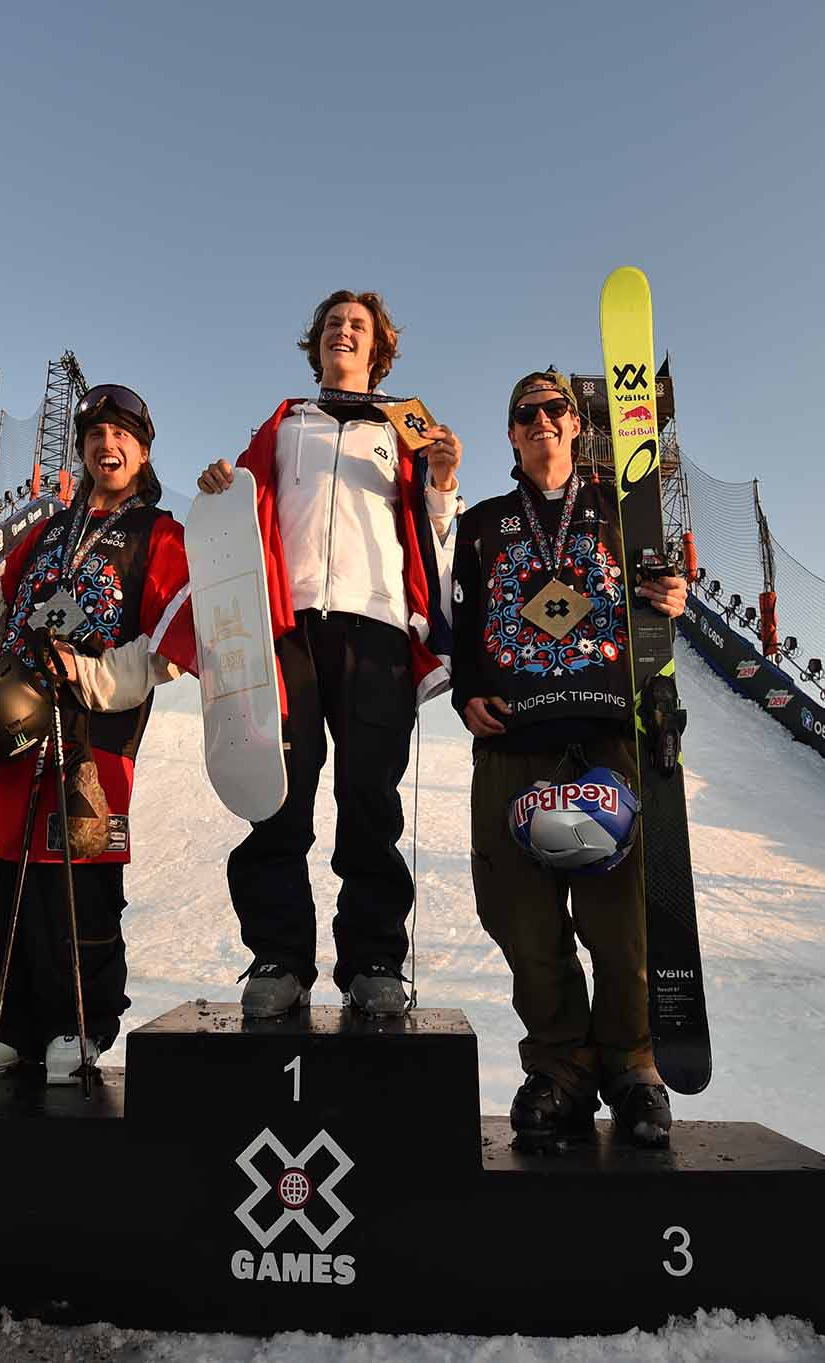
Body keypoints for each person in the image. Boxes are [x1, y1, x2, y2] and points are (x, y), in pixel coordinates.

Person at [195, 290, 461, 1018]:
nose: (344, 331)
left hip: (376, 626)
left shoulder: (406, 426)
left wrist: (441, 483)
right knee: (279, 792)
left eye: (359, 326)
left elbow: (434, 531)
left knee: (370, 798)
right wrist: (221, 488)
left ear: (379, 349)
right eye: (334, 324)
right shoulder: (286, 422)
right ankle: (279, 956)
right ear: (316, 344)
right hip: (289, 626)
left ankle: (374, 958)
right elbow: (243, 507)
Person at [448, 368, 688, 1150]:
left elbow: (659, 593)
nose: (542, 420)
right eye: (526, 412)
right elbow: (460, 627)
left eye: (555, 408)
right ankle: (560, 1066)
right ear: (511, 433)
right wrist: (466, 694)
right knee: (519, 913)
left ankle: (632, 1064)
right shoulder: (483, 524)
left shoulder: (622, 512)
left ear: (577, 425)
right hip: (514, 739)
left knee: (619, 922)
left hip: (602, 733)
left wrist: (674, 595)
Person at [0, 383, 194, 1084]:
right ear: (82, 449)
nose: (108, 446)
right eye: (96, 435)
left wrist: (89, 672)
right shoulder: (46, 532)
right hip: (6, 732)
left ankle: (79, 1023)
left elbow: (168, 648)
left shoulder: (161, 536)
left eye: (123, 436)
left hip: (89, 736)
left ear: (143, 452)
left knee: (74, 894)